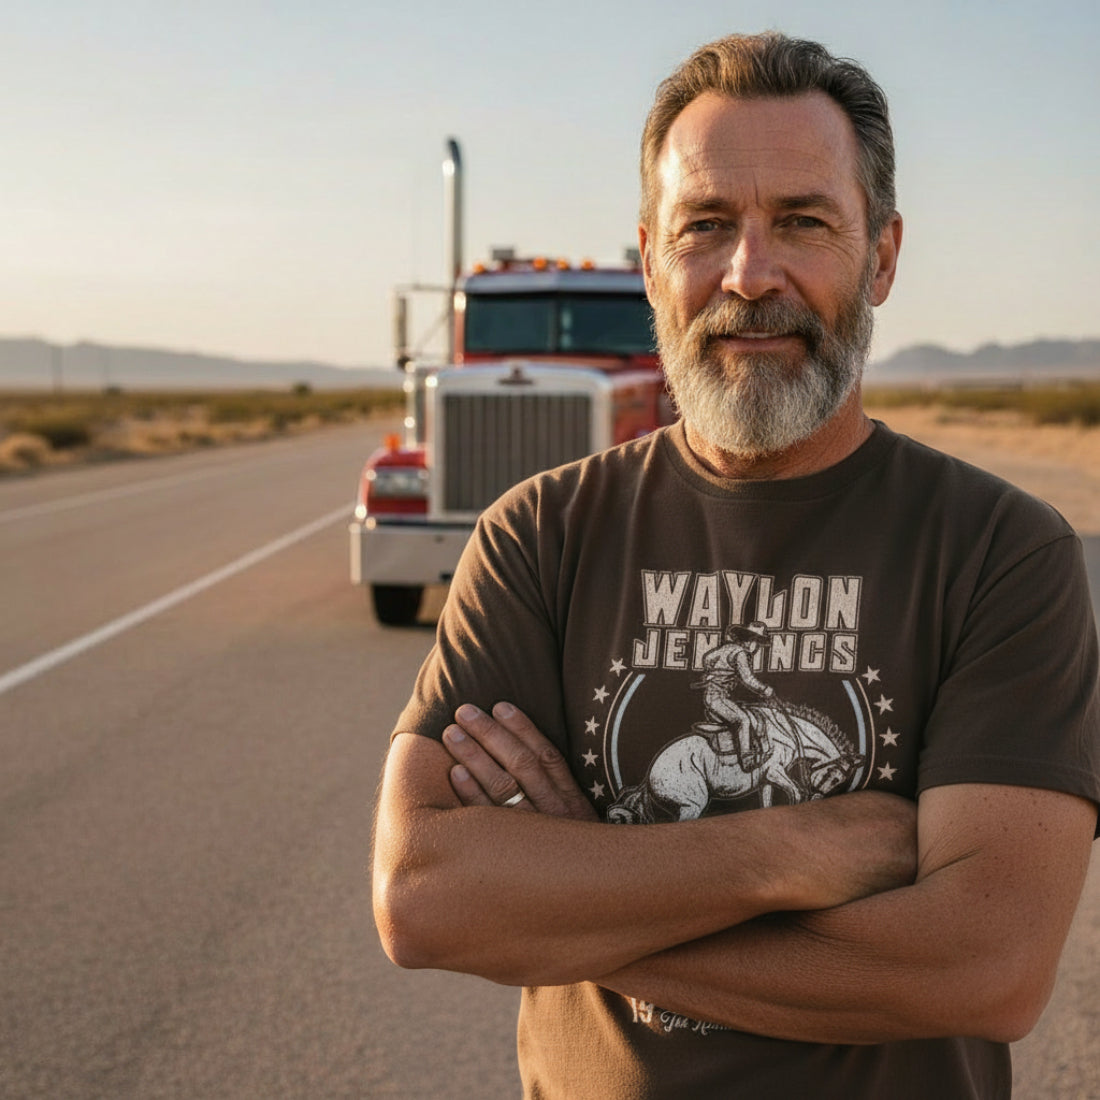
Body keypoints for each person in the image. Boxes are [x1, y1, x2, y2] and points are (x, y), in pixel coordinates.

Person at [372, 31, 1100, 1099]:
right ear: (651, 257)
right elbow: (425, 895)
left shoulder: (997, 550)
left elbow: (981, 967)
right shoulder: (538, 536)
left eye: (801, 222)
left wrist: (573, 900)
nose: (748, 274)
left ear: (882, 255)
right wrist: (790, 848)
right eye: (704, 226)